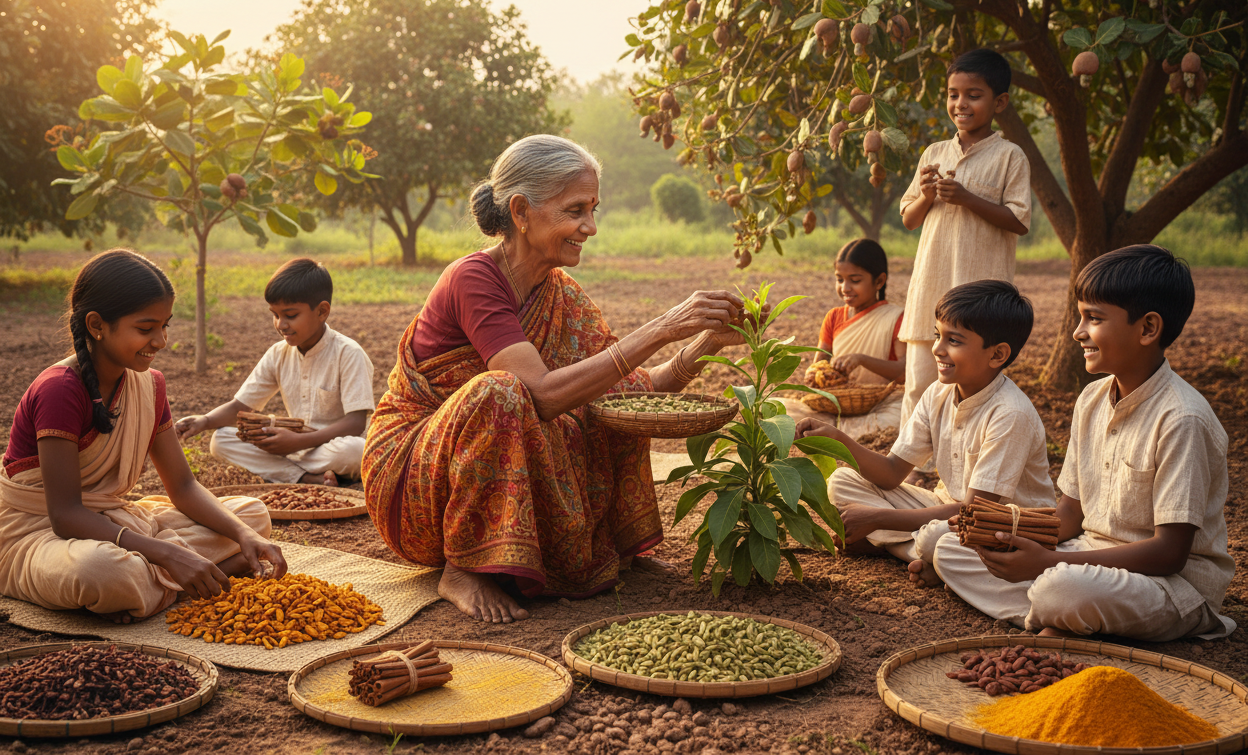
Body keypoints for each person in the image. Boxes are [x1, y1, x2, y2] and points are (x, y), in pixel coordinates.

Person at [363, 135, 750, 624]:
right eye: (575, 210)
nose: (590, 226)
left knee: (599, 408)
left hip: (471, 456)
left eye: (593, 209)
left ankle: (548, 552)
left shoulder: (560, 293)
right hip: (412, 481)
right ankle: (461, 567)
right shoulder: (473, 278)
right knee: (502, 393)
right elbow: (541, 396)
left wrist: (706, 343)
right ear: (521, 211)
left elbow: (630, 392)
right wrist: (664, 326)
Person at [932, 246, 1235, 641]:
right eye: (1080, 317)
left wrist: (1049, 563)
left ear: (1147, 329)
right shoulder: (1091, 399)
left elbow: (1169, 553)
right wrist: (1006, 536)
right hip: (1084, 557)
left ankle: (1056, 610)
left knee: (1061, 588)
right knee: (950, 549)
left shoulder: (1183, 418)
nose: (1077, 332)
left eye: (1093, 318)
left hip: (1167, 585)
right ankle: (1059, 617)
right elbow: (1071, 516)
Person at [0, 249, 286, 623]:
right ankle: (180, 578)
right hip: (38, 534)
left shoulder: (149, 385)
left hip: (115, 522)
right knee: (105, 571)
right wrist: (166, 554)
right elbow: (66, 515)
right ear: (97, 325)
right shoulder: (60, 390)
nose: (161, 341)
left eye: (166, 326)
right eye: (146, 328)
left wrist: (243, 535)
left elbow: (182, 486)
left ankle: (158, 588)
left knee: (252, 517)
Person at [796, 280, 1052, 587]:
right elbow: (892, 473)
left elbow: (973, 512)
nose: (937, 349)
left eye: (953, 341)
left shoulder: (1010, 413)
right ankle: (920, 557)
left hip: (999, 529)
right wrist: (838, 439)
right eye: (937, 335)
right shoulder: (938, 394)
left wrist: (877, 519)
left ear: (997, 355)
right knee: (841, 482)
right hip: (946, 507)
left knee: (936, 539)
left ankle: (901, 549)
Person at [897, 49, 1032, 473]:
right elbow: (908, 217)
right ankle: (911, 470)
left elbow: (1019, 220)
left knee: (976, 386)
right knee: (920, 381)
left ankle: (968, 471)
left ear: (1000, 102)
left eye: (973, 95)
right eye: (954, 94)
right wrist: (928, 195)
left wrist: (968, 199)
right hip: (931, 290)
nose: (961, 104)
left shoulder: (1010, 156)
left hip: (980, 299)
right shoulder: (934, 152)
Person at [176, 258, 375, 486]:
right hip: (294, 448)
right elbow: (241, 406)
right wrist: (204, 421)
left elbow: (356, 423)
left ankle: (288, 473)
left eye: (290, 315)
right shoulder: (277, 354)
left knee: (356, 450)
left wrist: (298, 443)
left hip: (332, 449)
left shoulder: (349, 353)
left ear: (322, 311)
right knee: (221, 440)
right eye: (275, 315)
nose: (281, 324)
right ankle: (307, 478)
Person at [780, 239, 904, 440]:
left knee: (904, 414)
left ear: (879, 281)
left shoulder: (896, 318)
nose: (845, 288)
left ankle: (833, 434)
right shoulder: (834, 317)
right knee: (777, 410)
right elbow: (817, 369)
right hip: (833, 407)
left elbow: (903, 372)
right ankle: (838, 432)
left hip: (880, 406)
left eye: (855, 280)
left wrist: (862, 359)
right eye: (839, 279)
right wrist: (818, 378)